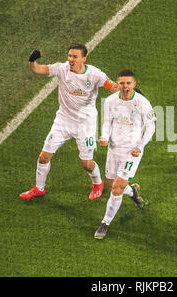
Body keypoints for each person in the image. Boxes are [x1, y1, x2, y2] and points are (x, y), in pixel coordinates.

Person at [20, 44, 119, 200]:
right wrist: (32, 61)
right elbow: (38, 69)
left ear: (84, 59)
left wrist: (128, 92)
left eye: (75, 57)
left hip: (85, 124)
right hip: (63, 120)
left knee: (86, 164)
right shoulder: (62, 69)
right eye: (70, 56)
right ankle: (39, 188)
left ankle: (98, 183)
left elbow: (112, 86)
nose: (71, 60)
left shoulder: (94, 74)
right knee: (43, 157)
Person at [94, 69, 156, 239]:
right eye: (122, 83)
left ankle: (105, 223)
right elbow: (107, 122)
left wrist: (141, 146)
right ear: (117, 84)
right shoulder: (110, 101)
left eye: (128, 83)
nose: (125, 86)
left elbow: (151, 128)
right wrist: (105, 138)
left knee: (116, 188)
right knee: (113, 184)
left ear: (134, 84)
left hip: (132, 152)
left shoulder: (143, 103)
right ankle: (133, 193)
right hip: (113, 149)